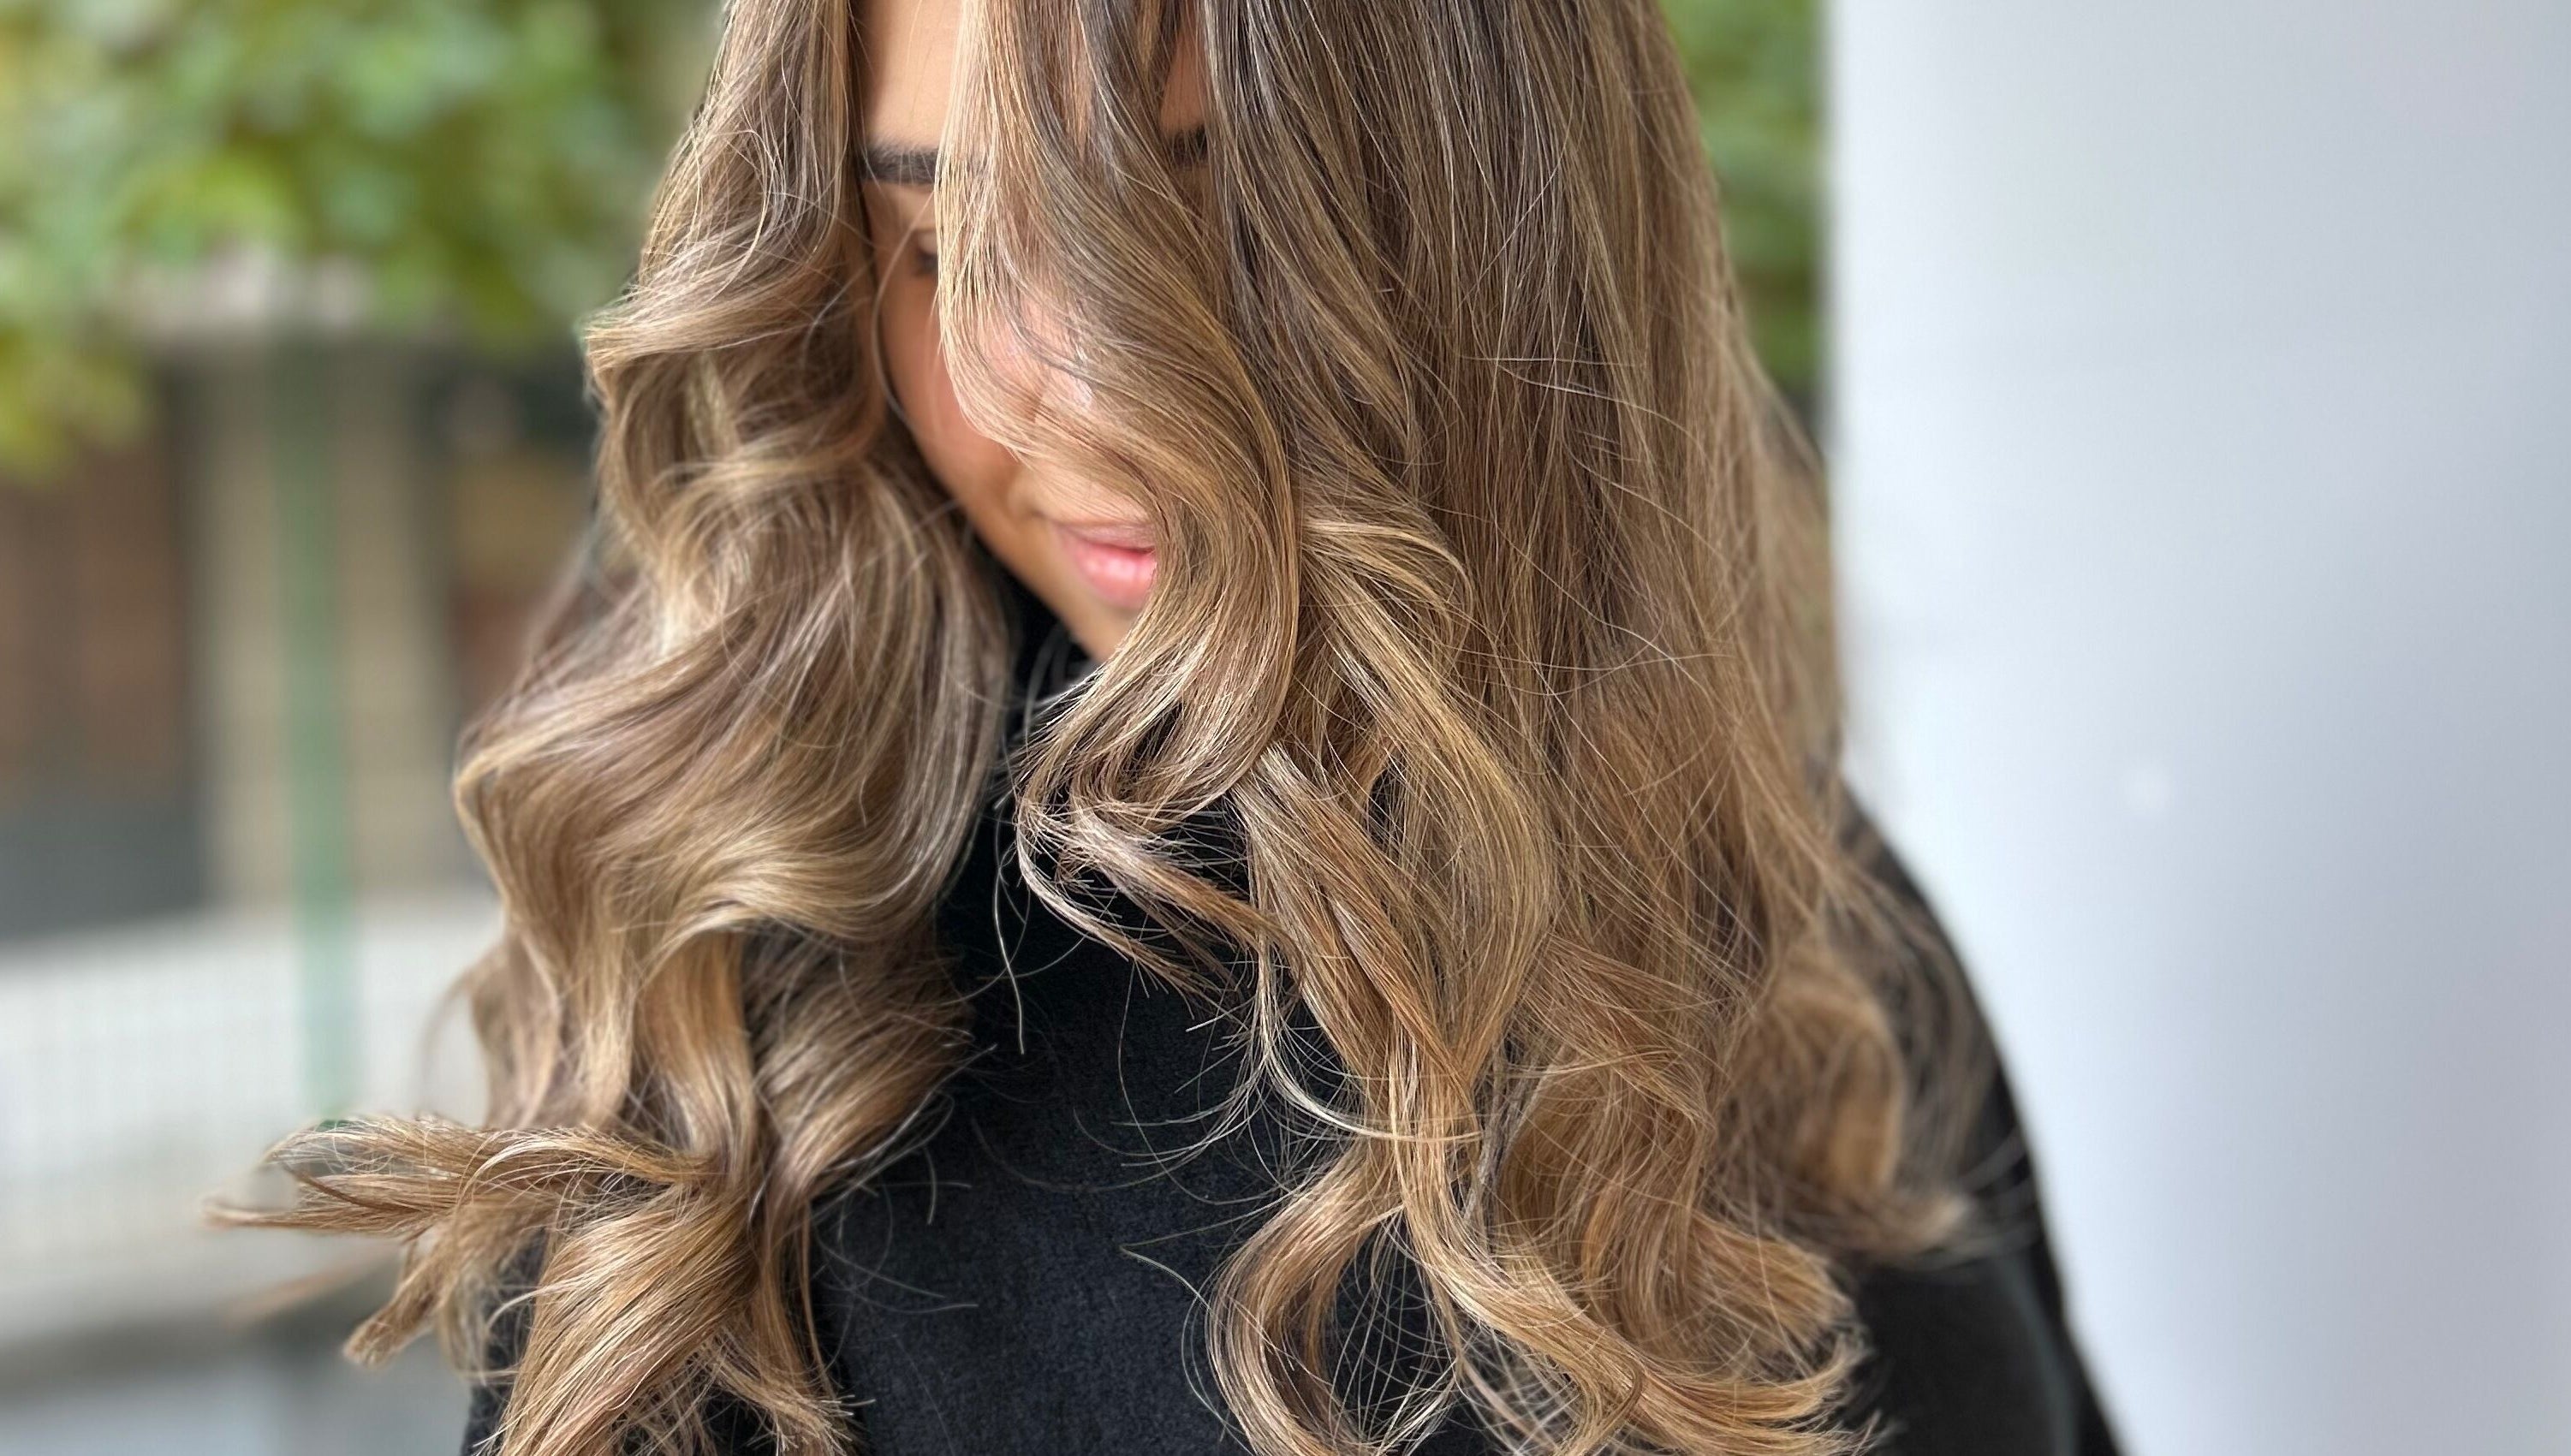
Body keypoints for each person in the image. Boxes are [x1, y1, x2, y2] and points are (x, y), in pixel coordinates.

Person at [226, 1, 2122, 1453]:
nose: (1062, 398)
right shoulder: (764, 1030)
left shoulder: (1806, 891)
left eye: (1200, 224)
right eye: (936, 243)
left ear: (1514, 223)